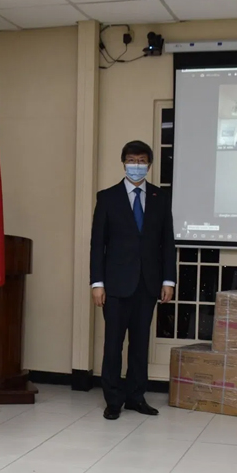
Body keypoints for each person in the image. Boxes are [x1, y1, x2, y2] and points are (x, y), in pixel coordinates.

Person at [90, 140, 176, 420]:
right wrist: (97, 284)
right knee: (113, 344)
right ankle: (113, 400)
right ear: (124, 162)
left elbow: (167, 243)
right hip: (115, 285)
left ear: (149, 165)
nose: (136, 165)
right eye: (131, 160)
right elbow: (97, 245)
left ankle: (136, 397)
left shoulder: (159, 198)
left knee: (140, 344)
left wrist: (169, 281)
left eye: (141, 160)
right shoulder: (107, 197)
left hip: (148, 284)